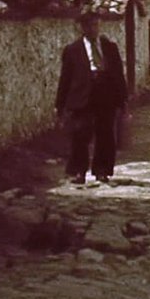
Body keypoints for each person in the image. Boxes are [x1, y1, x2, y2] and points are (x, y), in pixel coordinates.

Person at [54, 11, 127, 186]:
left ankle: (102, 170)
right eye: (89, 26)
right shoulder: (73, 50)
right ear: (82, 27)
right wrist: (60, 104)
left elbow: (118, 74)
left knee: (105, 133)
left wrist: (122, 99)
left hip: (105, 94)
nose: (93, 29)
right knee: (80, 134)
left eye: (95, 25)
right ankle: (79, 171)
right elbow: (66, 78)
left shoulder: (109, 47)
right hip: (82, 96)